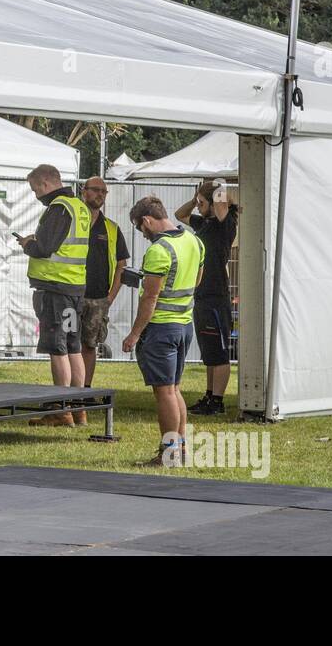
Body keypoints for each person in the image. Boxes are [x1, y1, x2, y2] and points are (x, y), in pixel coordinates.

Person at [122, 196, 205, 466]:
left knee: (164, 392)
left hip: (161, 328)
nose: (142, 234)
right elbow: (197, 280)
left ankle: (169, 454)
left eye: (139, 228)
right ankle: (179, 451)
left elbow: (150, 298)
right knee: (174, 389)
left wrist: (134, 334)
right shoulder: (194, 240)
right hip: (184, 324)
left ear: (147, 220)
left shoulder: (159, 251)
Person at [19, 164, 90, 427]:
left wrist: (28, 244)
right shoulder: (79, 206)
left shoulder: (59, 207)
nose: (36, 194)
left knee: (57, 348)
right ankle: (78, 407)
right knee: (73, 346)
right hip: (74, 289)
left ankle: (61, 411)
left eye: (35, 189)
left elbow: (45, 248)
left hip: (55, 290)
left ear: (46, 184)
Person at [175, 179, 239, 416]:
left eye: (203, 203)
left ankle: (218, 401)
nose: (198, 206)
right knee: (209, 351)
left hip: (216, 294)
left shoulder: (226, 223)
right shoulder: (204, 223)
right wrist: (195, 199)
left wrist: (216, 186)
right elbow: (180, 214)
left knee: (219, 351)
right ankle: (210, 395)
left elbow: (222, 197)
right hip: (201, 294)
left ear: (214, 203)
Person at [79, 177, 130, 406]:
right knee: (69, 345)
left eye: (104, 191)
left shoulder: (111, 228)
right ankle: (67, 391)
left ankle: (86, 391)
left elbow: (122, 264)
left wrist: (110, 297)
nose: (100, 194)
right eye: (95, 190)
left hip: (98, 297)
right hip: (70, 293)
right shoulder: (72, 221)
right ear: (84, 192)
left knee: (90, 345)